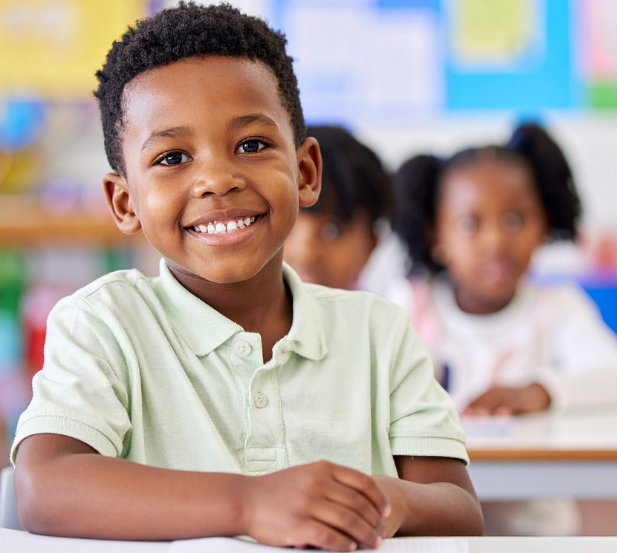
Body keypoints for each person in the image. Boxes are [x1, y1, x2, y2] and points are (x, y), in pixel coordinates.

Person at [11, 4, 483, 549]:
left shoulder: (379, 334)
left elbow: (458, 509)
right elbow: (45, 488)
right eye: (172, 157)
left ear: (305, 172)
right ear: (125, 202)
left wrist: (380, 499)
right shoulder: (103, 325)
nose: (216, 179)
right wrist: (250, 503)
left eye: (251, 145)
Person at [393, 123, 617, 535]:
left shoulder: (556, 309)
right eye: (471, 223)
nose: (495, 241)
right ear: (435, 234)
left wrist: (539, 391)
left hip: (537, 535)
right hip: (434, 531)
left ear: (544, 224)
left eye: (515, 218)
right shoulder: (412, 305)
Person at [284, 125, 406, 295]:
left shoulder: (384, 320)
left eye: (332, 231)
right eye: (284, 225)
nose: (305, 253)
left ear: (371, 246)